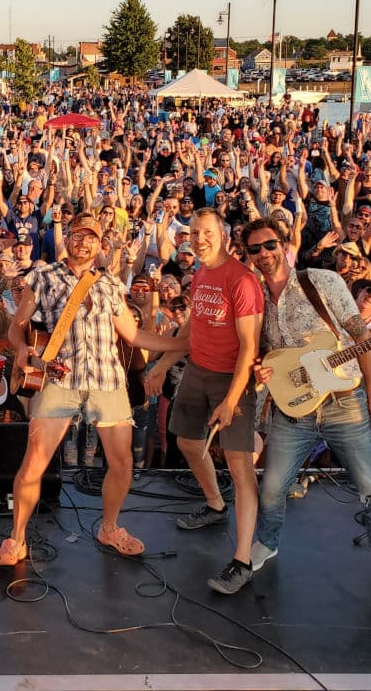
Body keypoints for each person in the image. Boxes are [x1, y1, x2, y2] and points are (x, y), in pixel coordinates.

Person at [0, 212, 188, 567]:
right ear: (66, 238)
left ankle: (110, 527)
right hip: (59, 379)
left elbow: (133, 335)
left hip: (106, 380)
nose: (83, 242)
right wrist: (21, 348)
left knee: (122, 462)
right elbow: (16, 327)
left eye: (91, 238)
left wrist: (183, 343)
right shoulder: (43, 275)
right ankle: (16, 538)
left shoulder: (111, 284)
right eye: (77, 235)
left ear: (101, 246)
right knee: (34, 461)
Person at [243, 217, 371, 603]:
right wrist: (261, 367)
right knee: (270, 488)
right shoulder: (255, 296)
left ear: (284, 244)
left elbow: (361, 336)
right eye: (254, 249)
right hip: (295, 407)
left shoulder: (322, 280)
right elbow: (266, 352)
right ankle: (267, 543)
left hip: (344, 403)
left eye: (269, 245)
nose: (264, 255)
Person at [143, 208, 264, 594]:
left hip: (232, 377)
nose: (199, 238)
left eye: (207, 232)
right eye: (194, 232)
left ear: (225, 236)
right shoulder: (201, 273)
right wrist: (163, 365)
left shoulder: (242, 281)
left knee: (239, 465)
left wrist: (231, 400)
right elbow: (194, 327)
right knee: (187, 442)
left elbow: (249, 348)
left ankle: (242, 559)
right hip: (198, 369)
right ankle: (215, 505)